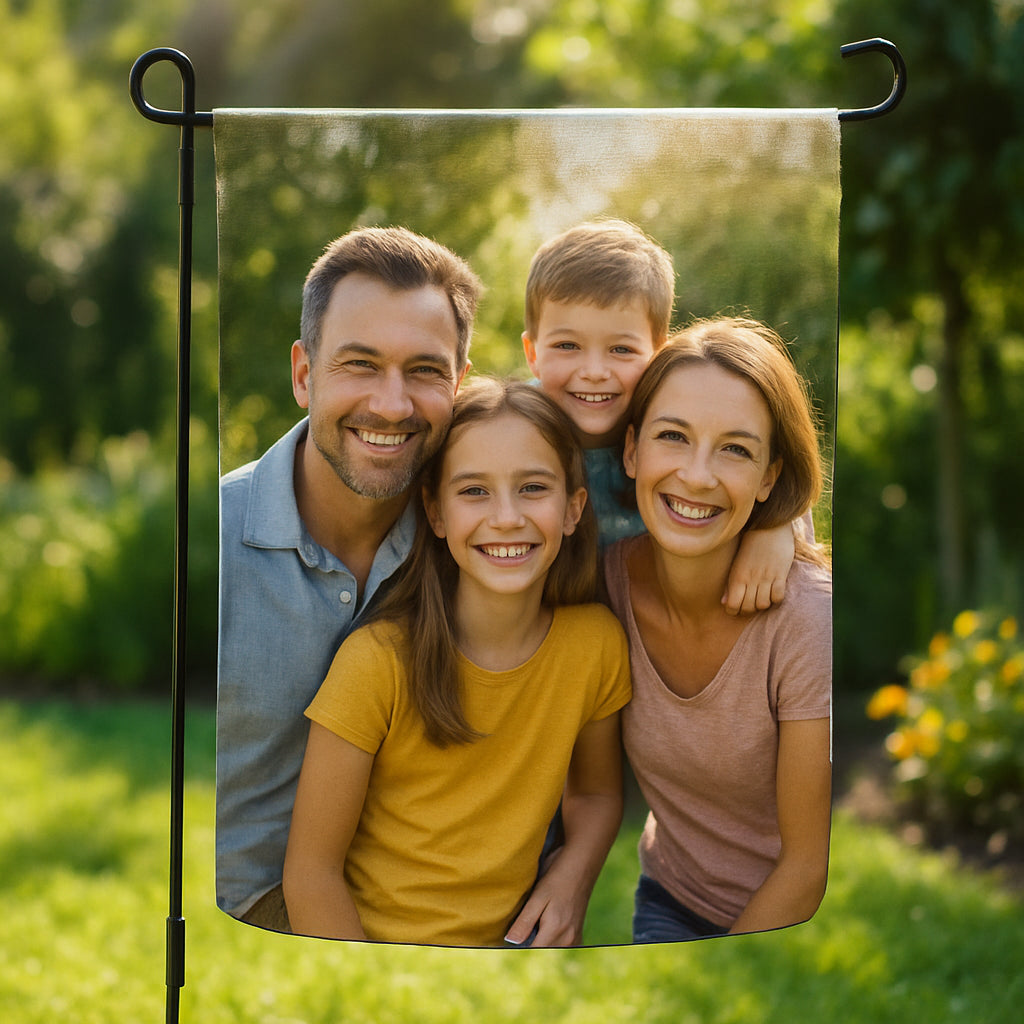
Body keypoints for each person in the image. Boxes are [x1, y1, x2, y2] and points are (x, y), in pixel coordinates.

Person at [283, 378, 631, 947]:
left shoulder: (595, 646)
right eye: (474, 491)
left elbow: (596, 795)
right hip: (377, 958)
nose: (506, 517)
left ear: (573, 509)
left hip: (508, 961)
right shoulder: (377, 662)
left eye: (533, 488)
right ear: (436, 512)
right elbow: (310, 875)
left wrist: (574, 876)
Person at [217, 226, 482, 931]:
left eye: (424, 371)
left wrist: (764, 524)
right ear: (304, 374)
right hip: (230, 928)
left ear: (459, 383)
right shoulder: (209, 543)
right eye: (360, 364)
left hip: (411, 925)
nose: (392, 405)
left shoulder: (482, 541)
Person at [603, 317, 832, 942]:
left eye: (735, 449)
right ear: (631, 450)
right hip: (670, 896)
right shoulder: (602, 587)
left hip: (788, 917)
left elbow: (807, 867)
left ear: (769, 476)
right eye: (673, 436)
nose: (698, 475)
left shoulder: (806, 621)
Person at [521, 220, 805, 613]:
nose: (594, 372)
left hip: (648, 624)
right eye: (567, 345)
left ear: (659, 352)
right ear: (532, 353)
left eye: (621, 350)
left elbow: (761, 470)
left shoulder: (673, 423)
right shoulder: (513, 425)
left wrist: (775, 529)